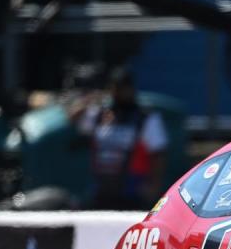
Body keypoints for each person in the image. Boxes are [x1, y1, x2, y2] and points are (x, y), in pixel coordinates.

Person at [70, 66, 167, 210]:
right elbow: (73, 118)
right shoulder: (99, 115)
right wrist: (91, 99)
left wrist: (153, 185)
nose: (119, 92)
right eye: (115, 87)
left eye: (123, 87)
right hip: (102, 189)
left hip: (132, 191)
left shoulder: (145, 118)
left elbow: (159, 153)